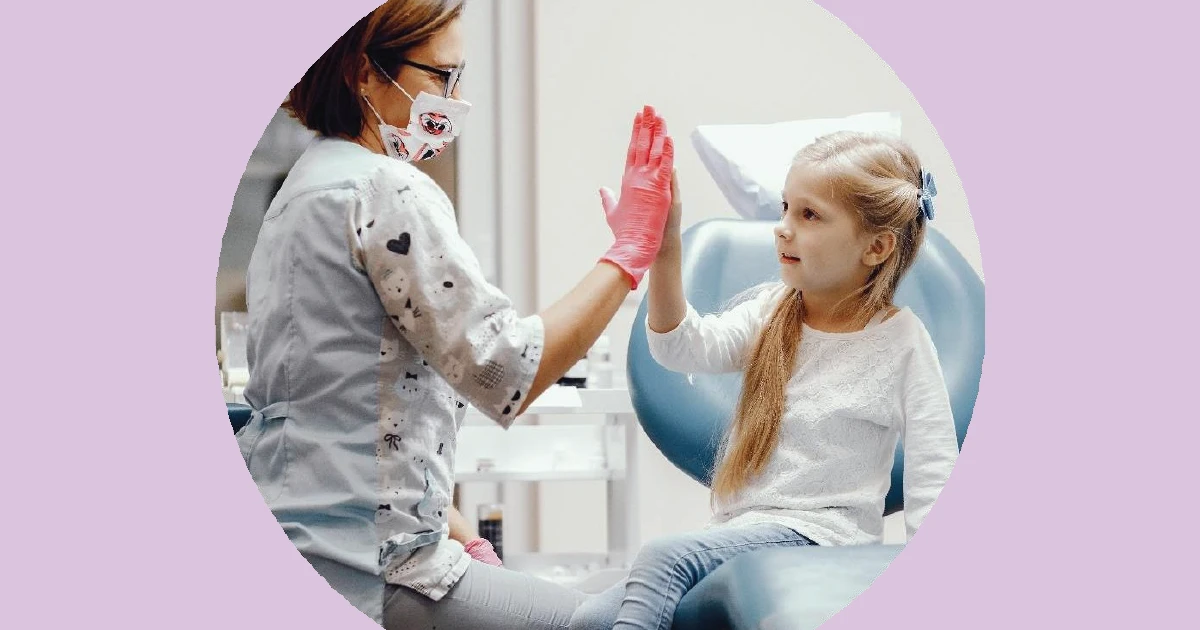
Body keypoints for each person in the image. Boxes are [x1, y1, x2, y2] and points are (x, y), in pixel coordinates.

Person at [232, 1, 675, 628]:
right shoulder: (387, 190)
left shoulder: (303, 190)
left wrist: (464, 536)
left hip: (305, 537)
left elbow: (368, 406)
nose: (455, 98)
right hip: (372, 568)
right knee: (620, 621)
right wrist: (629, 253)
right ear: (363, 73)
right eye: (441, 77)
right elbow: (505, 372)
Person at [571, 130, 961, 629]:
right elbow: (678, 347)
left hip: (821, 540)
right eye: (784, 208)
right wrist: (664, 250)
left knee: (662, 557)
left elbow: (936, 475)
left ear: (877, 246)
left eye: (809, 215)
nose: (782, 229)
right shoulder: (771, 311)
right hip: (741, 533)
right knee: (589, 620)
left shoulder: (901, 341)